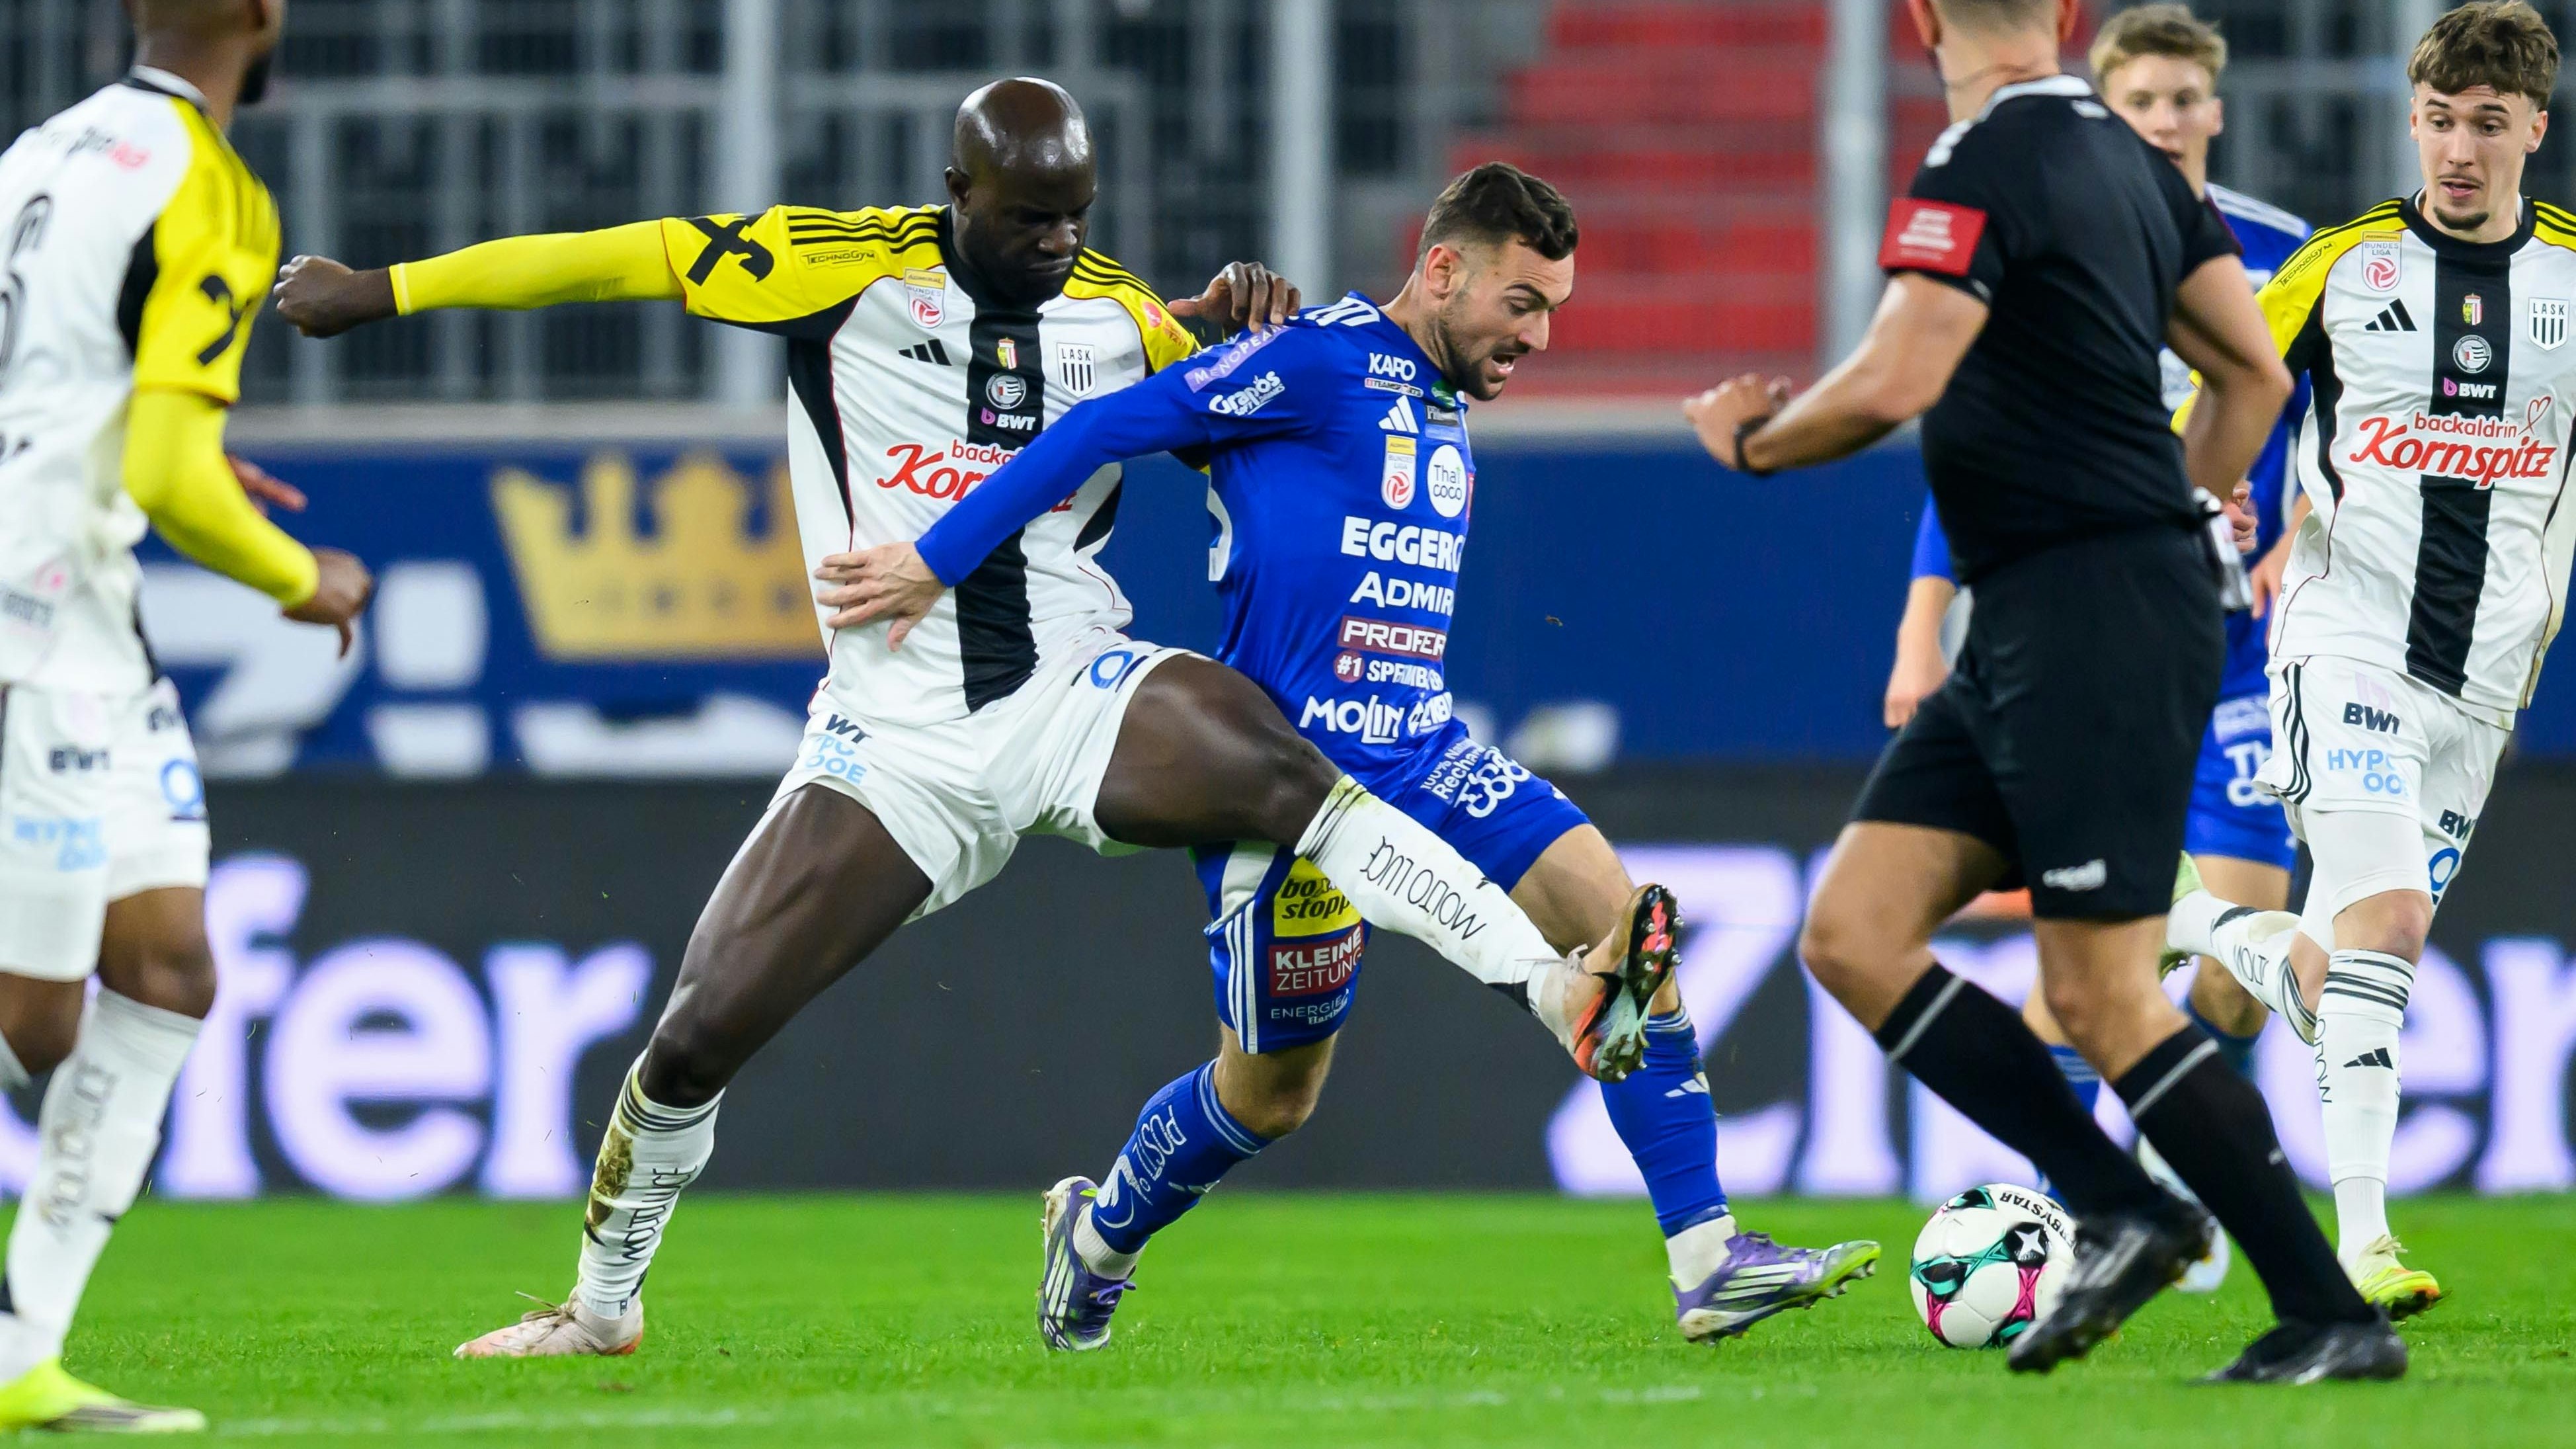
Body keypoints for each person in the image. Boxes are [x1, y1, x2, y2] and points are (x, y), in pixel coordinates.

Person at [274, 79, 1675, 1360]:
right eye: (1028, 219)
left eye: (1077, 218)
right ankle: (600, 1304)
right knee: (699, 1032)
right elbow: (613, 255)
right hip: (898, 744)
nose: (1057, 243)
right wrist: (383, 289)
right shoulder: (832, 266)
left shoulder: (1115, 308)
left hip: (1074, 686)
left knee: (1278, 767)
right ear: (962, 198)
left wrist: (1219, 317)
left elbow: (1217, 404)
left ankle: (1552, 987)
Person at [819, 162, 1877, 1352]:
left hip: (1425, 751)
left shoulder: (1441, 397)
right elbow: (1113, 423)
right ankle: (1101, 1231)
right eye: (1521, 304)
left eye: (1555, 312)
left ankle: (1708, 1256)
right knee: (1271, 1097)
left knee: (1623, 925)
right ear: (1439, 269)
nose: (1537, 335)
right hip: (1284, 781)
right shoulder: (1319, 357)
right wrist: (942, 555)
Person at [1683, 0, 2401, 1385]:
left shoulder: (1979, 162)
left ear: (1916, 18)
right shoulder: (2128, 162)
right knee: (1852, 930)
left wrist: (1754, 443)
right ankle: (2124, 1205)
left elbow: (1900, 373)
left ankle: (2324, 1310)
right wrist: (2187, 514)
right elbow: (2249, 373)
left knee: (2099, 993)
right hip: (2046, 614)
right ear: (2072, 20)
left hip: (2087, 614)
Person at [1884, 2, 2316, 1297]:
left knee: (2240, 957)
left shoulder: (2289, 256)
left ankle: (2167, 1189)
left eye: (2187, 99)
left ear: (2216, 110)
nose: (2169, 121)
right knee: (2088, 972)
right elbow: (1968, 444)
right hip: (2100, 627)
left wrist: (2300, 530)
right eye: (2145, 103)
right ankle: (2092, 1211)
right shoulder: (2055, 219)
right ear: (2104, 107)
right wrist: (1918, 628)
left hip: (2242, 643)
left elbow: (2338, 417)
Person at [2168, 0, 2576, 1323]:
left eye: (2488, 126)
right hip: (2343, 637)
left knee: (2347, 959)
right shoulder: (2338, 268)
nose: (2459, 150)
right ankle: (2358, 1246)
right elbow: (2221, 402)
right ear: (2412, 119)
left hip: (2484, 686)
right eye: (2440, 121)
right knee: (2387, 922)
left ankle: (2204, 923)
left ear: (2533, 130)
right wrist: (2214, 499)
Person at [0, 0, 376, 1431]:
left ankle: (17, 1355)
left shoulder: (44, 150)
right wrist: (300, 574)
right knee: (33, 1019)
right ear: (267, 20)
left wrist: (187, 469)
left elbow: (94, 405)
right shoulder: (210, 181)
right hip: (37, 607)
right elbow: (164, 465)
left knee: (165, 966)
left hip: (86, 603)